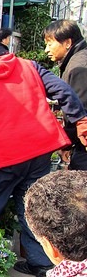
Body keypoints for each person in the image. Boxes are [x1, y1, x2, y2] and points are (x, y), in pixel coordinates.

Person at [0, 31, 87, 277]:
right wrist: (79, 119)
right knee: (31, 204)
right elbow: (63, 90)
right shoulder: (28, 66)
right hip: (39, 150)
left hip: (0, 154)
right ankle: (41, 264)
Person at [44, 19, 87, 170]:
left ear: (68, 42)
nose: (46, 50)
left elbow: (78, 111)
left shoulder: (78, 67)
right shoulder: (78, 59)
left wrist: (67, 142)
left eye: (50, 44)